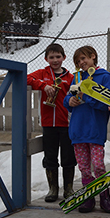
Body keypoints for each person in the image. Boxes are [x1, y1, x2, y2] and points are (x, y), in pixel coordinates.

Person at [63, 46, 110, 214]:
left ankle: (105, 196)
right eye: (78, 61)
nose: (81, 63)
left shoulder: (104, 77)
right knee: (84, 167)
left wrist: (85, 96)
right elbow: (68, 96)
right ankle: (88, 197)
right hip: (78, 130)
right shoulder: (77, 77)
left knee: (99, 165)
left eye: (84, 58)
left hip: (95, 129)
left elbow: (106, 103)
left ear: (93, 56)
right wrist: (70, 101)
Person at [27, 43, 76, 202]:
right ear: (46, 58)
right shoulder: (42, 73)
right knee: (50, 156)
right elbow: (26, 78)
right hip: (49, 124)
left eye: (58, 57)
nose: (55, 60)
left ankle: (68, 188)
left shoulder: (70, 77)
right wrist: (43, 85)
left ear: (64, 58)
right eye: (51, 57)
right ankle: (53, 189)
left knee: (68, 157)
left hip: (66, 124)